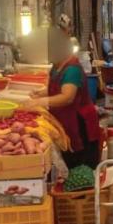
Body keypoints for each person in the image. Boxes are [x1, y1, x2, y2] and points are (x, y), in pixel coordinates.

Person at [26, 27, 104, 171]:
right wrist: (41, 93)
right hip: (65, 119)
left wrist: (40, 102)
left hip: (79, 123)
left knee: (81, 166)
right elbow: (58, 87)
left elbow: (67, 97)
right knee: (69, 159)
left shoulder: (72, 69)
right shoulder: (57, 66)